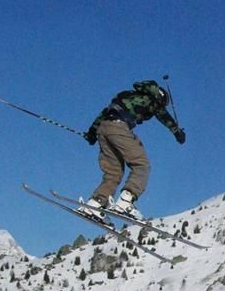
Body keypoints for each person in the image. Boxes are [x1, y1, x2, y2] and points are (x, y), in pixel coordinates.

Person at [79, 79, 186, 219]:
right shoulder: (151, 99)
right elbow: (162, 114)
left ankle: (96, 202)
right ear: (160, 97)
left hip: (104, 128)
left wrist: (92, 132)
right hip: (119, 127)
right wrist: (176, 131)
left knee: (114, 172)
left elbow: (105, 112)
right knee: (141, 164)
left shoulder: (128, 94)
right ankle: (126, 201)